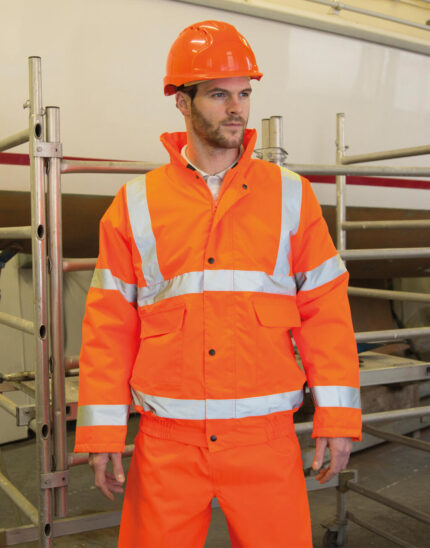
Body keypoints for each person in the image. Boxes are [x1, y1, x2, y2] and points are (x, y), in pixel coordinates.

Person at [74, 20, 361, 547]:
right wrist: (102, 433)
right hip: (168, 444)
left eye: (244, 94)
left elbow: (326, 311)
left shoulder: (292, 196)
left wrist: (338, 418)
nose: (236, 108)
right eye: (218, 94)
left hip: (265, 441)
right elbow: (109, 326)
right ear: (181, 102)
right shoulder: (135, 204)